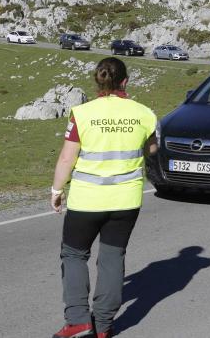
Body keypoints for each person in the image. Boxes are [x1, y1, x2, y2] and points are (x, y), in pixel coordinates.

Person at [50, 57, 158, 338]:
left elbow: (66, 157)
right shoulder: (144, 113)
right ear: (125, 81)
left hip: (87, 199)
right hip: (126, 199)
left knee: (74, 254)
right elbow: (153, 150)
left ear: (99, 80)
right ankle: (104, 326)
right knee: (112, 257)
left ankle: (77, 320)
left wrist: (57, 190)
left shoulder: (82, 113)